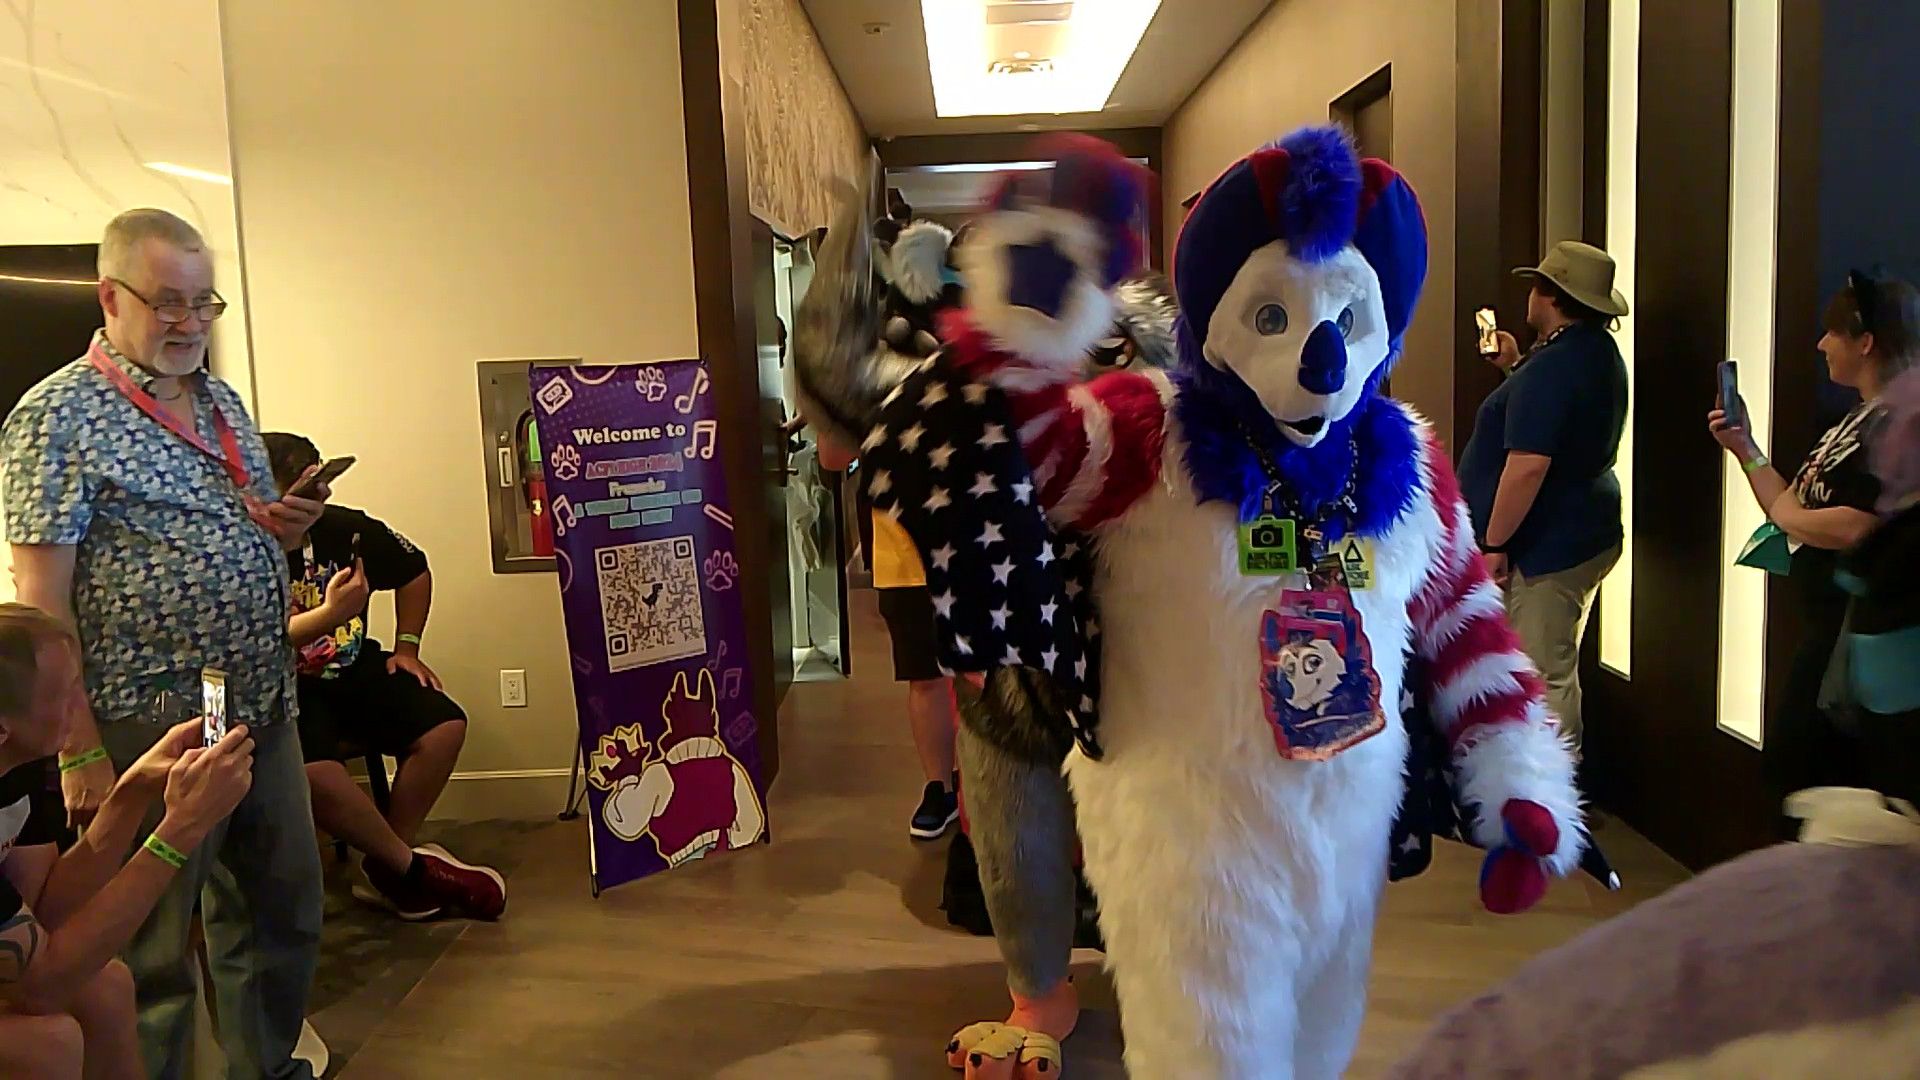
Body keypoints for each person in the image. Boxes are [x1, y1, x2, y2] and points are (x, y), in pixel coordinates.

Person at [0, 208, 329, 1078]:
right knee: (147, 944)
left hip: (257, 699)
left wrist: (287, 528)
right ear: (111, 297)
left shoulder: (219, 400)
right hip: (148, 715)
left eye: (203, 302)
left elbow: (244, 527)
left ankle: (265, 1069)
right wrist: (77, 753)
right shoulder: (55, 418)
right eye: (168, 302)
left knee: (281, 907)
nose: (190, 322)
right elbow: (42, 598)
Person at [0, 604, 257, 1080]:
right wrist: (181, 830)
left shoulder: (20, 767)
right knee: (48, 1044)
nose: (81, 706)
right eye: (62, 694)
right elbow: (40, 986)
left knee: (108, 985)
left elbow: (46, 910)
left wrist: (132, 792)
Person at [262, 433, 507, 921]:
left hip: (352, 667)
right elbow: (251, 641)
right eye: (308, 485)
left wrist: (407, 647)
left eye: (324, 480)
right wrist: (330, 614)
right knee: (314, 771)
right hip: (283, 685)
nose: (323, 493)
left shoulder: (347, 528)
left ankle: (388, 864)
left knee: (443, 724)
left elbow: (414, 569)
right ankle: (406, 870)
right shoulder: (238, 552)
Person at [1710, 271, 1920, 828]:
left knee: (1809, 776)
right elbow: (1794, 505)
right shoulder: (1856, 417)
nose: (1822, 344)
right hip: (1830, 630)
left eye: (1833, 333)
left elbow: (1855, 526)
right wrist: (1746, 449)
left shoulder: (1901, 424)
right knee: (1800, 775)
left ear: (1866, 341)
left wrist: (1791, 519)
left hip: (1863, 637)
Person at [1459, 240, 1630, 750]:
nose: (1529, 297)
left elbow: (1528, 465)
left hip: (1550, 545)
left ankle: (1551, 788)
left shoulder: (1556, 367)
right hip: (1578, 531)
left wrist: (1494, 543)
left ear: (1552, 296)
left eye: (1536, 286)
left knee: (1542, 674)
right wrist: (1514, 368)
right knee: (1544, 664)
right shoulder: (1591, 352)